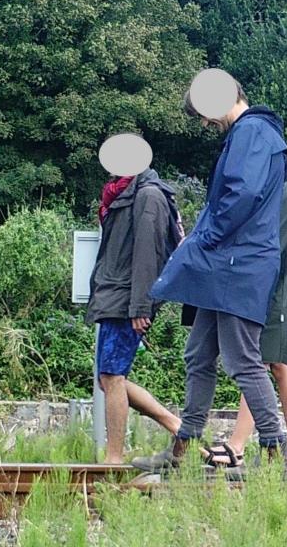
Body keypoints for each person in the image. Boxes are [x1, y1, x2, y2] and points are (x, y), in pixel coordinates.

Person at [132, 69, 287, 472]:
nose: (205, 123)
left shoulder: (252, 132)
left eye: (205, 113)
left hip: (240, 264)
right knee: (199, 354)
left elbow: (242, 195)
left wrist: (204, 238)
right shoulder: (251, 133)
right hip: (228, 264)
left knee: (242, 360)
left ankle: (274, 453)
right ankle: (183, 448)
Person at [201, 154, 287, 473]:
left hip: (279, 295)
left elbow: (265, 245)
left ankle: (238, 447)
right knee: (281, 366)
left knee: (256, 365)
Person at [84, 164, 184, 464]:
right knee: (108, 377)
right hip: (115, 295)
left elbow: (148, 255)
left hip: (128, 300)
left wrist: (141, 306)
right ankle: (179, 427)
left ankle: (113, 458)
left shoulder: (147, 196)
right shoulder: (123, 193)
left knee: (112, 376)